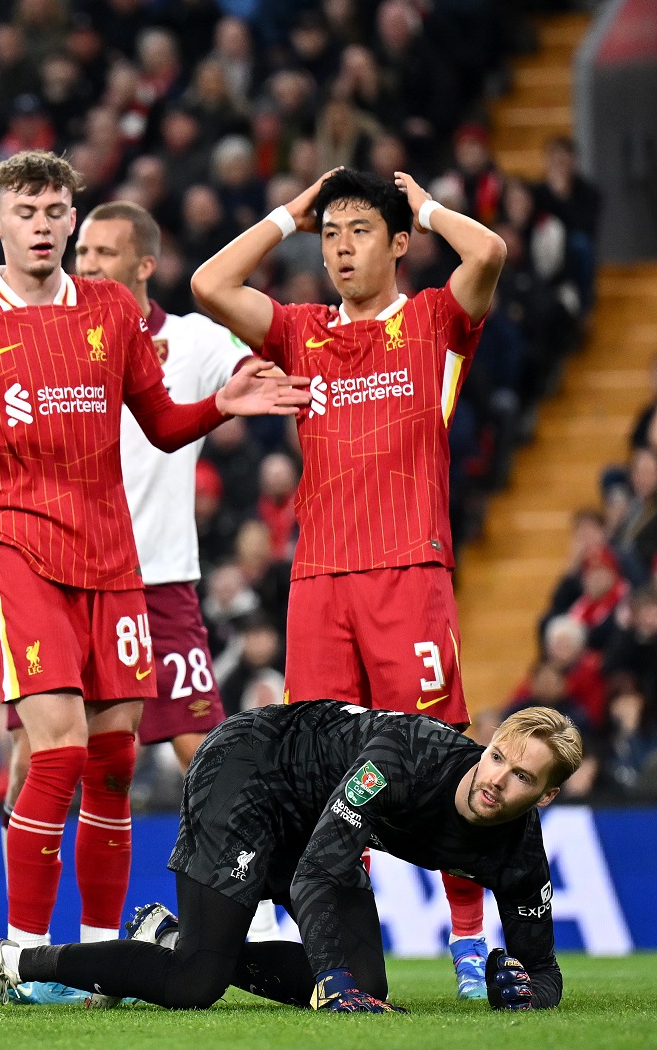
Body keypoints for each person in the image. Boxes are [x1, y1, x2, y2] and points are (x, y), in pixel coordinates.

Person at [0, 151, 308, 962]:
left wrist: (220, 404)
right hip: (19, 544)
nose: (42, 226)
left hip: (115, 558)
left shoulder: (113, 309)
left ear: (71, 218)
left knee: (114, 762)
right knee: (58, 747)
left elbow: (157, 422)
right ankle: (21, 954)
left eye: (54, 212)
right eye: (26, 211)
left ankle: (94, 952)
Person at [189, 165, 509, 998]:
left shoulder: (435, 320)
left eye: (359, 230)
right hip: (320, 582)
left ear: (400, 243)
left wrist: (430, 204)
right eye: (329, 234)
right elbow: (209, 282)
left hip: (410, 571)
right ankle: (342, 960)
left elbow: (492, 251)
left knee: (441, 766)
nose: (339, 247)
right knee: (320, 779)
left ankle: (471, 949)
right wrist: (286, 214)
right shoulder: (301, 330)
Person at [0, 702, 579, 1015]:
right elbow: (316, 872)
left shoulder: (520, 852)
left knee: (371, 989)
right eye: (497, 755)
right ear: (488, 742)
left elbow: (545, 967)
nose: (497, 779)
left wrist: (528, 993)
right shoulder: (406, 758)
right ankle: (8, 961)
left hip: (316, 815)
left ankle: (166, 938)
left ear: (546, 796)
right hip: (250, 769)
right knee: (197, 982)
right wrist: (332, 981)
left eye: (522, 777)